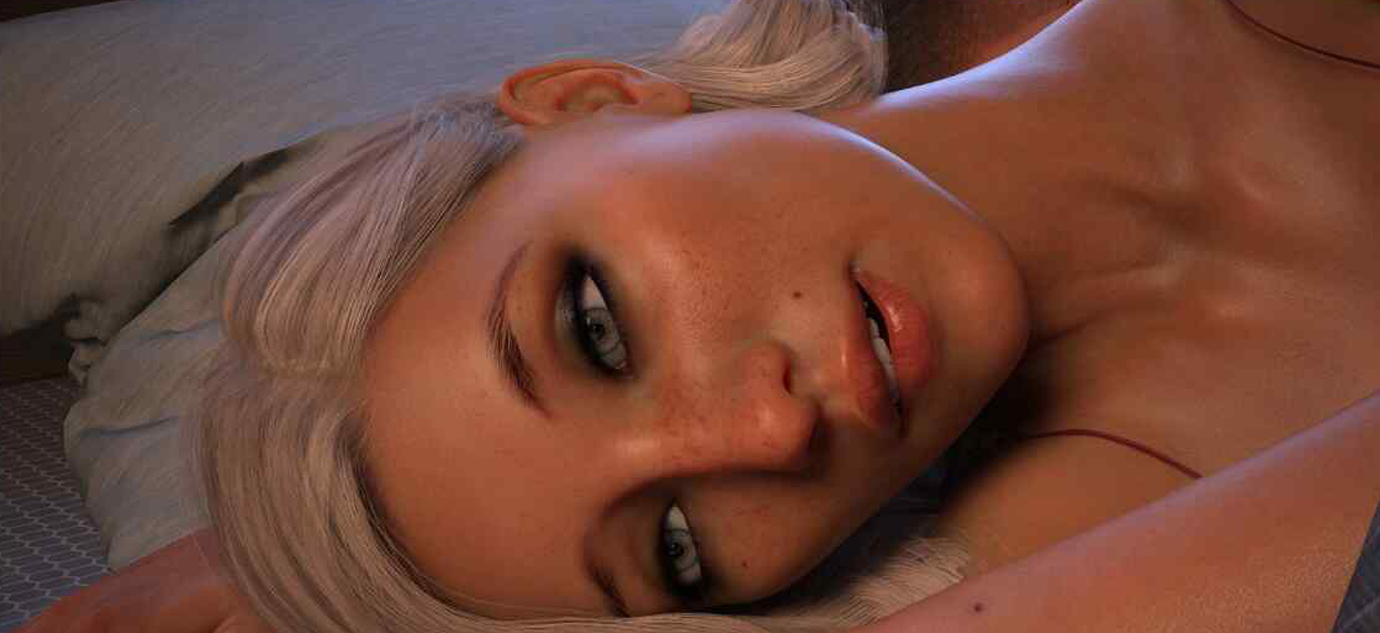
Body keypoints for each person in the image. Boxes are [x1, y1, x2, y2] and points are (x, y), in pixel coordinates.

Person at [19, 0, 1380, 631]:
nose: (763, 437)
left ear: (593, 98)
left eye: (598, 331)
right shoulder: (1129, 540)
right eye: (675, 547)